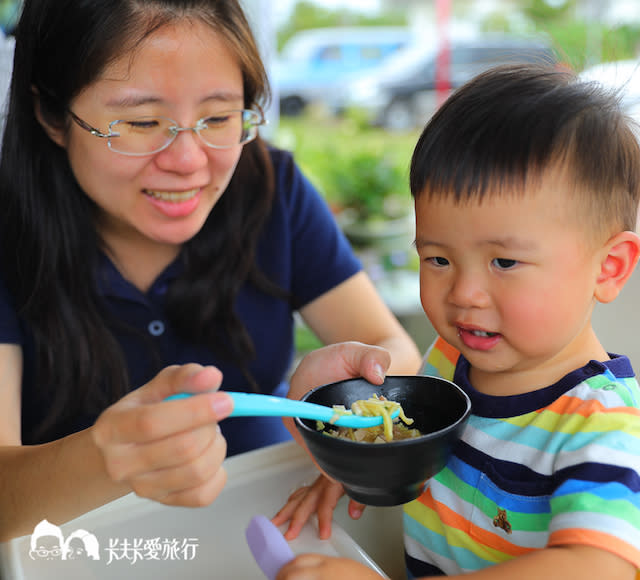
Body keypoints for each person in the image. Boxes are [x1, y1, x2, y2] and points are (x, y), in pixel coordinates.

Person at [0, 0, 421, 542]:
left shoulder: (272, 190)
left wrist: (343, 400)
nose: (189, 161)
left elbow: (392, 348)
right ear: (53, 115)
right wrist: (106, 459)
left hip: (267, 524)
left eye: (219, 118)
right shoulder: (9, 235)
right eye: (142, 122)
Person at [273, 63, 640, 580]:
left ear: (607, 268)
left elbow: (596, 567)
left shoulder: (600, 425)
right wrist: (354, 469)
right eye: (437, 259)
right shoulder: (451, 360)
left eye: (504, 262)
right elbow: (409, 446)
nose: (464, 294)